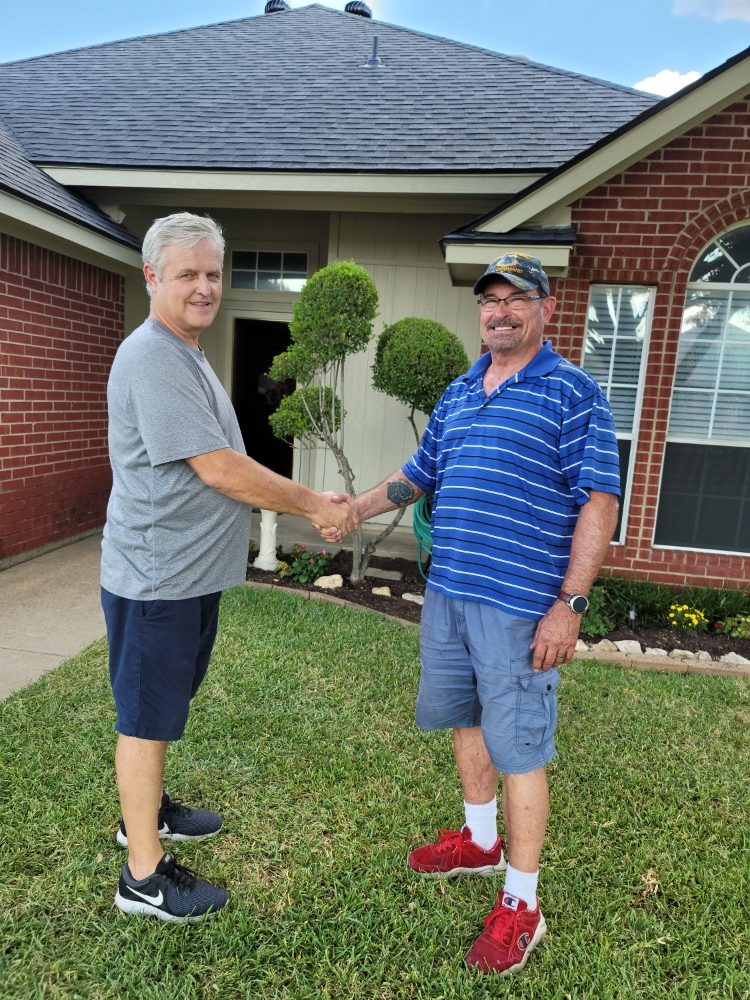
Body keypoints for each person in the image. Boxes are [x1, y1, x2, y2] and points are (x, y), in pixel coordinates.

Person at [326, 253, 620, 974]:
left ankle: (523, 903)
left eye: (517, 298)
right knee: (466, 718)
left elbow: (599, 502)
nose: (500, 311)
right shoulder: (460, 391)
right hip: (450, 595)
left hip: (521, 607)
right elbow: (418, 475)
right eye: (490, 300)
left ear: (546, 308)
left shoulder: (574, 392)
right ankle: (481, 842)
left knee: (520, 747)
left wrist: (570, 605)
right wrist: (354, 509)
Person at [101, 212, 356, 922]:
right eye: (187, 273)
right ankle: (142, 875)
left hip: (184, 575)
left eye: (213, 273)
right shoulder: (153, 355)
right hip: (157, 576)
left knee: (162, 706)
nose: (205, 287)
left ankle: (148, 810)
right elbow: (218, 468)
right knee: (145, 717)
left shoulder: (184, 350)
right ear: (152, 276)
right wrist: (313, 503)